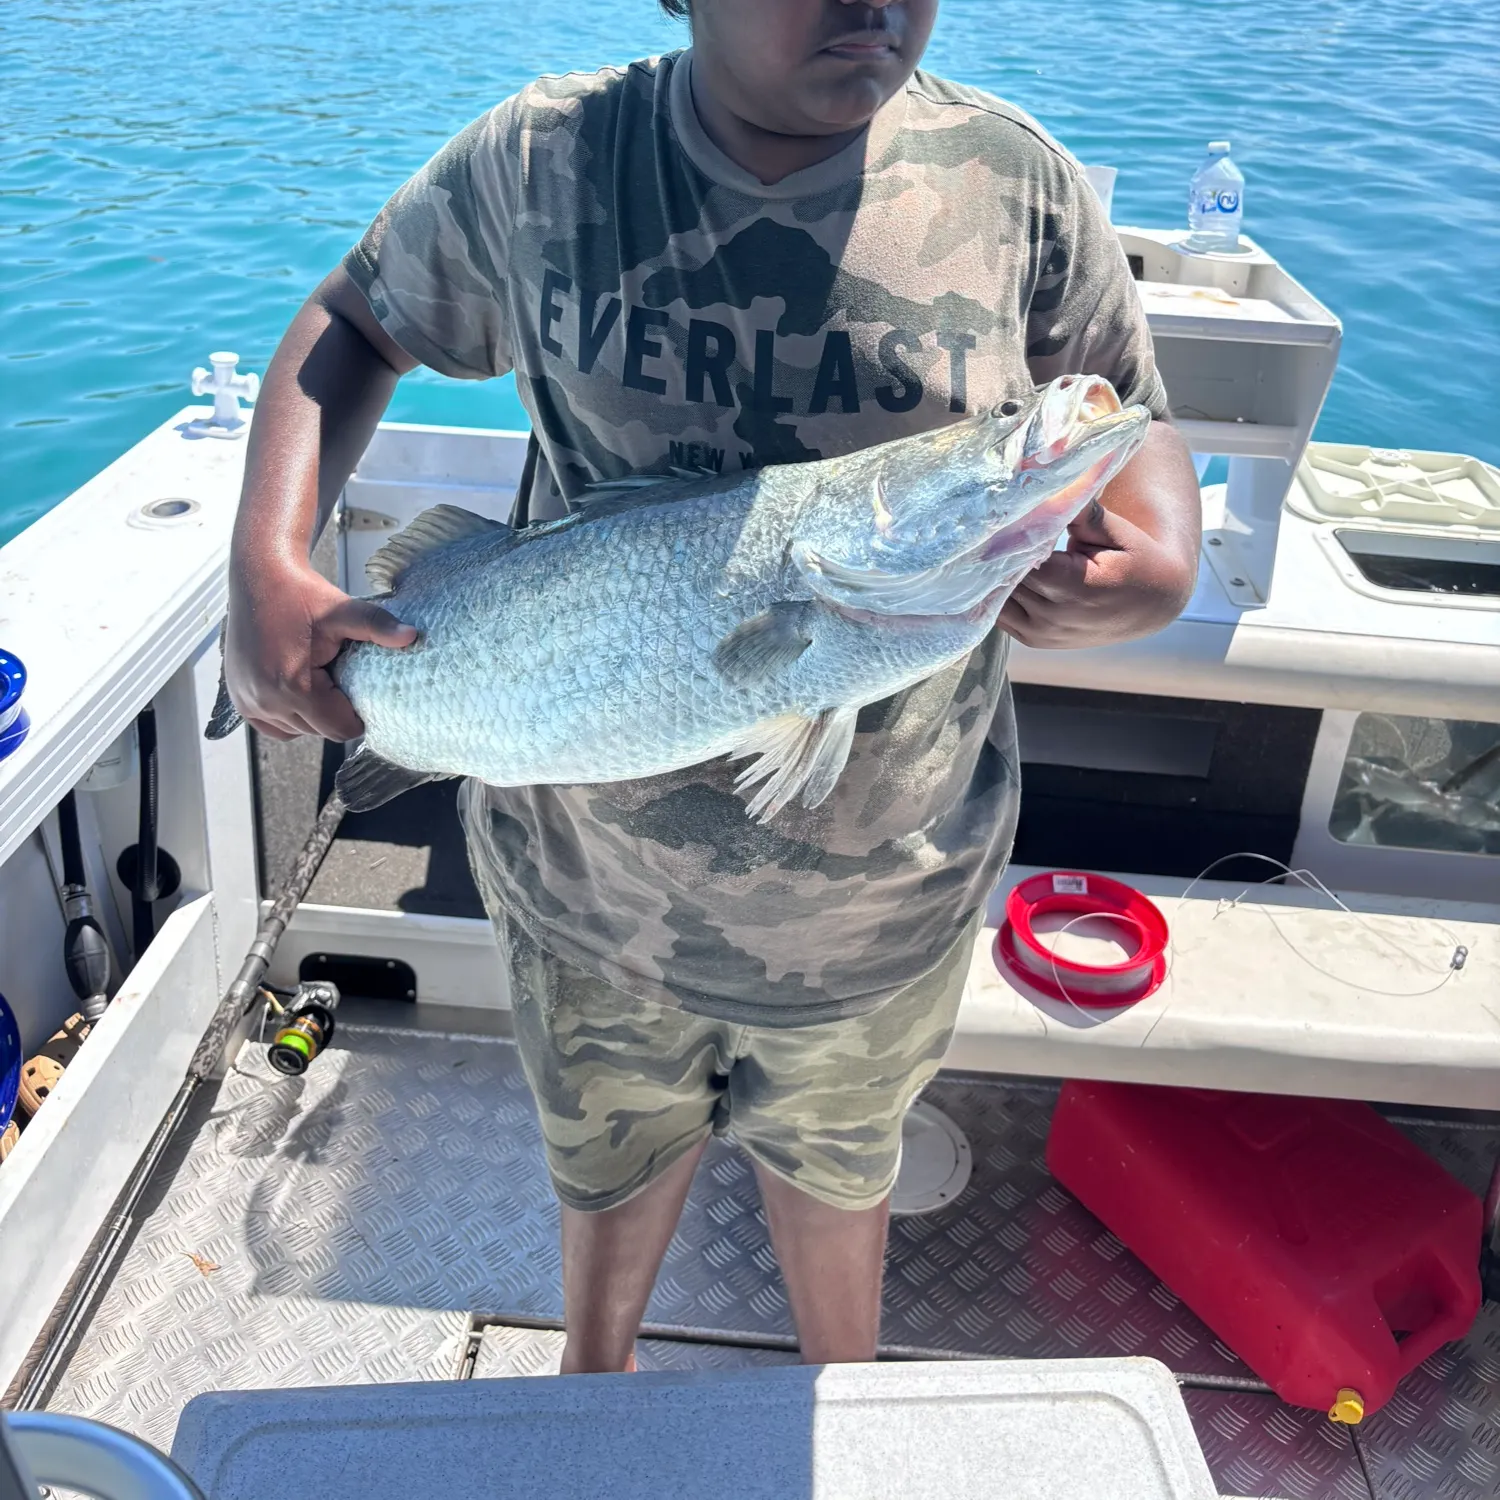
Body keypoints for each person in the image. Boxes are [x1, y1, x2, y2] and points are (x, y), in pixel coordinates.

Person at [224, 0, 1201, 1373]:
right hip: (587, 898)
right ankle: (596, 1371)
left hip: (887, 902)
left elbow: (1125, 409)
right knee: (608, 1168)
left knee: (838, 1169)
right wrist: (267, 565)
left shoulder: (1016, 184)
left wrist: (1156, 568)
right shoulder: (545, 158)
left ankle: (837, 1396)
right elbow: (352, 318)